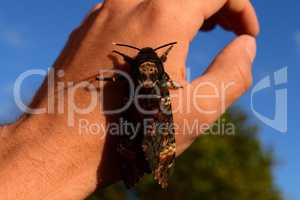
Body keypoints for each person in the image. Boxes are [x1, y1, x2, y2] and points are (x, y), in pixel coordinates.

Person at [0, 0, 259, 199]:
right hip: (155, 113)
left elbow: (118, 80)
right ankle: (153, 164)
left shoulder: (131, 74)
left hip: (134, 114)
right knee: (154, 127)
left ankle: (139, 164)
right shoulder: (156, 75)